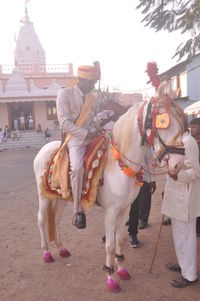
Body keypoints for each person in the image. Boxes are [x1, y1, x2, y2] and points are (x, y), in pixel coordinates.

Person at [56, 62, 101, 229]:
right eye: (92, 82)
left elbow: (93, 119)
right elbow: (64, 123)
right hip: (75, 139)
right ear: (82, 80)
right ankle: (77, 210)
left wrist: (101, 120)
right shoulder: (64, 94)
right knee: (77, 168)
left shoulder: (92, 98)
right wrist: (84, 134)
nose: (94, 85)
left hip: (92, 136)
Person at [161, 117, 200, 288]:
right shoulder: (177, 141)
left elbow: (195, 172)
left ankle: (190, 275)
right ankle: (184, 265)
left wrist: (178, 176)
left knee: (186, 237)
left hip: (185, 200)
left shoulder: (188, 141)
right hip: (177, 199)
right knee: (179, 236)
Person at [128, 148, 156, 247]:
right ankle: (110, 232)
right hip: (122, 177)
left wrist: (152, 179)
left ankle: (133, 233)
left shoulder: (143, 136)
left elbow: (149, 159)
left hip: (140, 177)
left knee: (136, 205)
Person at [189, 117, 200, 235]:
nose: (191, 129)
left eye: (193, 127)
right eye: (190, 127)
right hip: (192, 176)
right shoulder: (189, 142)